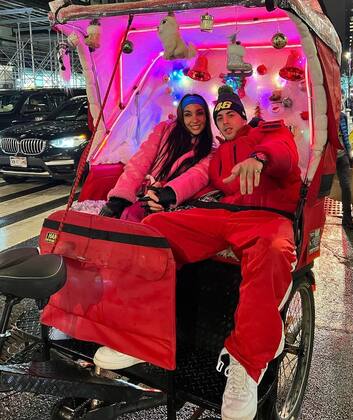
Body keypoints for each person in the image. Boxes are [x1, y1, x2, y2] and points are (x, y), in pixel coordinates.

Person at [95, 86, 302, 420]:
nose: (224, 121)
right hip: (222, 215)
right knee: (156, 228)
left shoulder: (268, 131)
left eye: (230, 113)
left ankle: (247, 365)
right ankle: (138, 334)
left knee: (274, 249)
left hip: (268, 216)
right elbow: (201, 179)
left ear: (243, 115)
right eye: (219, 117)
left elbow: (283, 152)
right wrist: (162, 196)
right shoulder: (218, 154)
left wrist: (259, 159)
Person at [99, 93, 214, 220]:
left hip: (170, 201)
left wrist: (167, 194)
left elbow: (197, 176)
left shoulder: (209, 150)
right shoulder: (164, 130)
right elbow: (140, 162)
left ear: (206, 116)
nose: (195, 119)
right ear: (181, 116)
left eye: (199, 113)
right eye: (188, 114)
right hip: (144, 192)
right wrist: (119, 198)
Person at [337, 111, 353, 229]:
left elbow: (345, 138)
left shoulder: (342, 116)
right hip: (326, 157)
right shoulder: (321, 115)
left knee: (346, 186)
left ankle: (347, 218)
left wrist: (350, 155)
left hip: (341, 155)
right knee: (321, 189)